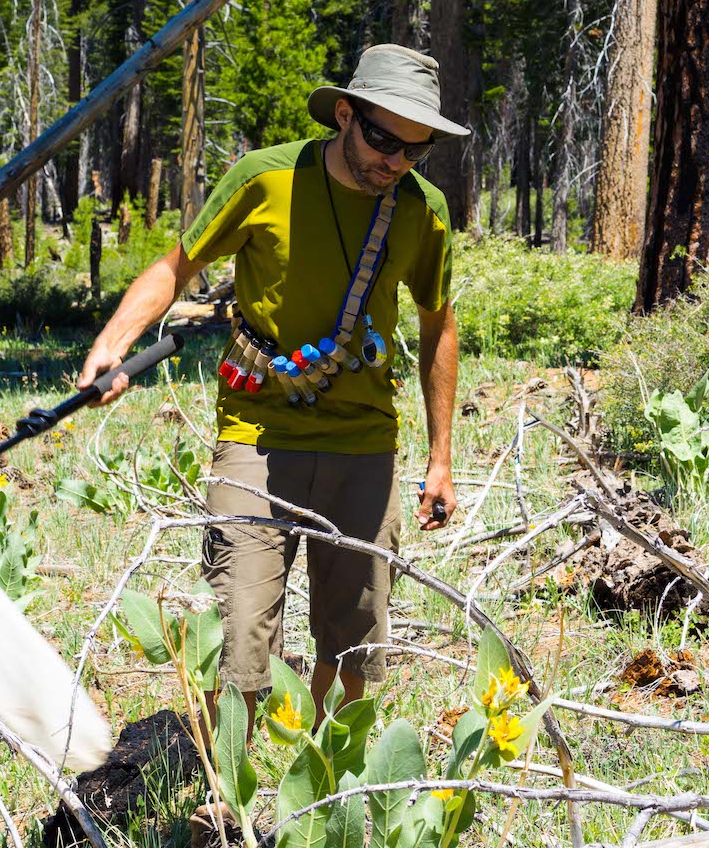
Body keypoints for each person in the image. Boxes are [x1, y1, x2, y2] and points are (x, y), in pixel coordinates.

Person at [76, 44, 466, 737]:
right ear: (344, 114)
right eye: (382, 138)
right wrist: (114, 344)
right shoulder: (267, 178)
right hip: (257, 436)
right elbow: (178, 263)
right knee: (240, 646)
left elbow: (438, 323)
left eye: (415, 150)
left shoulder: (421, 209)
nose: (394, 161)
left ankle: (326, 798)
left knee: (356, 647)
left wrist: (441, 458)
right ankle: (226, 809)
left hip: (363, 444)